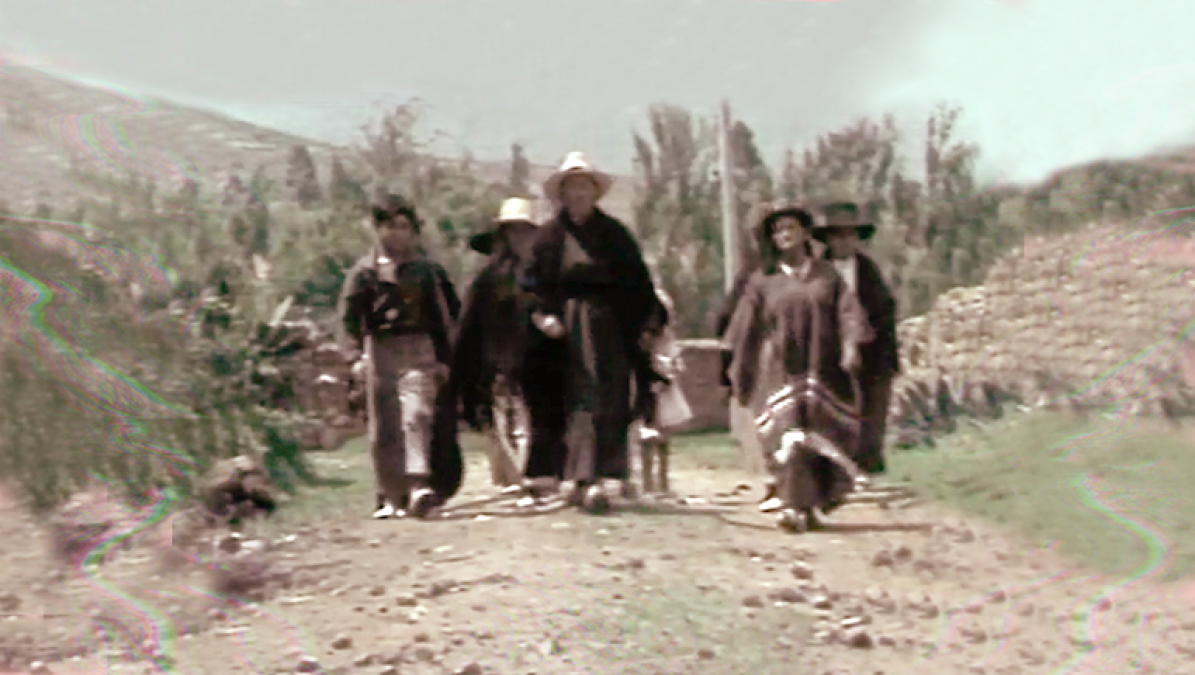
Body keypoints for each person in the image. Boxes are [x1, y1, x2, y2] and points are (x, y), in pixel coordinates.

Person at [520, 152, 668, 513]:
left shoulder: (615, 235)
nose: (578, 194)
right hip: (564, 331)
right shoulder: (549, 237)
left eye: (584, 187)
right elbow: (530, 286)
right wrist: (543, 316)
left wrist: (648, 326)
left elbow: (639, 284)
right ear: (562, 193)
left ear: (594, 192)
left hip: (610, 327)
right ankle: (579, 477)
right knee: (576, 398)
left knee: (610, 397)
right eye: (572, 187)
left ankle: (604, 475)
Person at [724, 202, 873, 532]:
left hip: (824, 369)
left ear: (806, 234)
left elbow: (849, 313)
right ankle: (792, 506)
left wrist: (851, 347)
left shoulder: (827, 276)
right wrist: (741, 372)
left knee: (817, 436)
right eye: (778, 232)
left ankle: (809, 505)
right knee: (790, 435)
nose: (784, 236)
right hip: (781, 371)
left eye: (791, 228)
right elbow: (745, 330)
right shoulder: (763, 281)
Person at [339, 194, 462, 519]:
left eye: (404, 226)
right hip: (380, 348)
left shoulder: (426, 271)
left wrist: (444, 359)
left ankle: (419, 485)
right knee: (385, 425)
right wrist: (355, 356)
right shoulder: (363, 272)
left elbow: (444, 317)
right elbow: (349, 318)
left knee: (416, 413)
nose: (397, 233)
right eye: (390, 226)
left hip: (419, 346)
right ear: (377, 229)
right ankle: (392, 496)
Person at [452, 197, 542, 493]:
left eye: (525, 230)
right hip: (501, 362)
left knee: (532, 420)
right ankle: (518, 479)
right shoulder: (488, 279)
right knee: (508, 419)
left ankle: (529, 477)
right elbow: (469, 324)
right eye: (513, 230)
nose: (520, 237)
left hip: (539, 362)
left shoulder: (545, 275)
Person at [812, 202, 900, 479]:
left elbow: (884, 311)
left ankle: (867, 468)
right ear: (827, 239)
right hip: (827, 355)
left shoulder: (869, 271)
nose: (844, 241)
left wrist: (868, 342)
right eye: (837, 235)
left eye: (849, 234)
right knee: (831, 411)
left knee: (872, 413)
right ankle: (833, 471)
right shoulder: (816, 271)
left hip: (872, 356)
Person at [636, 288, 692, 495]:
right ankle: (647, 480)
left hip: (665, 389)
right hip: (647, 388)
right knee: (645, 435)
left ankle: (663, 479)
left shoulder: (667, 339)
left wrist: (670, 369)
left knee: (663, 436)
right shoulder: (641, 340)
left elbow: (675, 359)